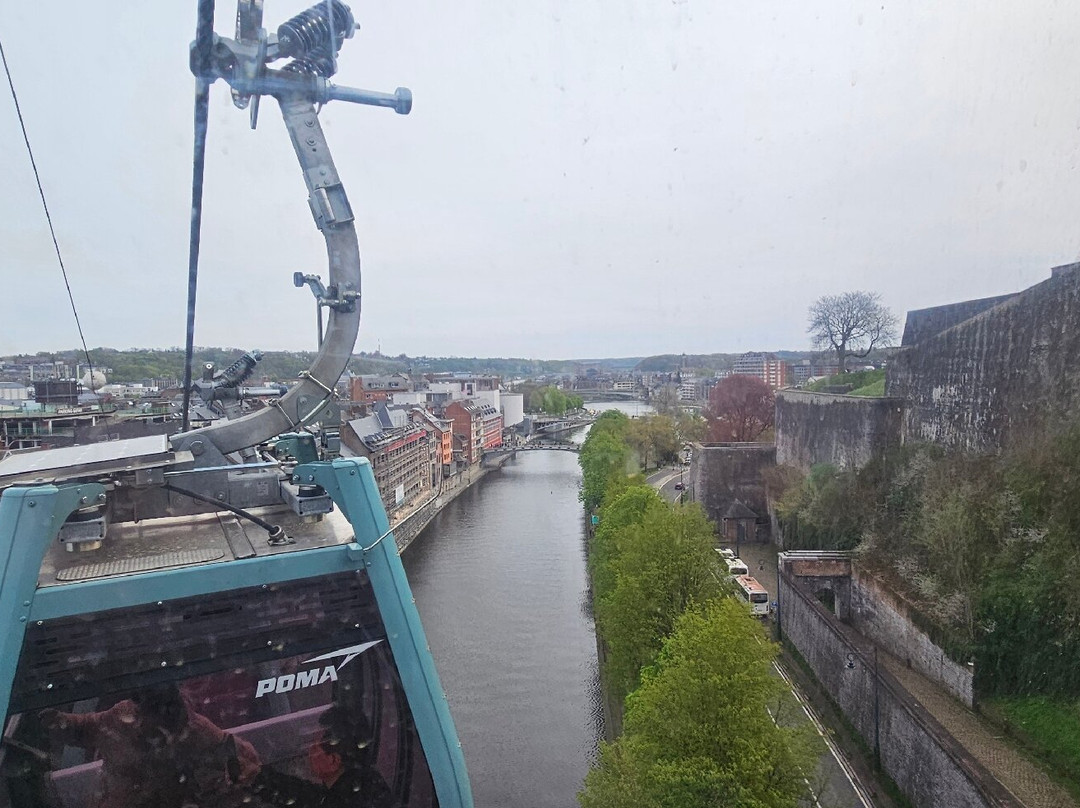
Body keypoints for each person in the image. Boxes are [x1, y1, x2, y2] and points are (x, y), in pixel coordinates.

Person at [43, 683, 260, 808]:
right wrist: (53, 719)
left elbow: (236, 751)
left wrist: (236, 771)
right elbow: (83, 727)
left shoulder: (194, 728)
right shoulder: (120, 718)